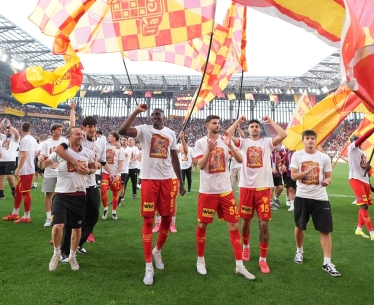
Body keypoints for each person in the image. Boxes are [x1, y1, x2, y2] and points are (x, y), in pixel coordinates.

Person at [118, 104, 184, 286]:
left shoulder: (170, 133)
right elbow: (122, 131)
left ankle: (157, 251)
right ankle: (148, 267)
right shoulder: (143, 130)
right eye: (152, 115)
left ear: (164, 118)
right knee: (148, 221)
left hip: (167, 180)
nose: (154, 117)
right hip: (149, 180)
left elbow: (175, 158)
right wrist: (136, 111)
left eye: (158, 115)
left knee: (167, 219)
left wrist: (180, 181)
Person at [193, 115, 255, 280]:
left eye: (219, 123)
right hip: (208, 191)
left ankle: (240, 266)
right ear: (207, 125)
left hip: (226, 191)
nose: (217, 125)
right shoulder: (200, 143)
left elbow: (241, 159)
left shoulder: (225, 140)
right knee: (203, 224)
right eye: (214, 123)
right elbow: (201, 166)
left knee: (234, 225)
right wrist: (209, 150)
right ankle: (200, 261)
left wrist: (231, 146)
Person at [227, 116, 287, 274]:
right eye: (251, 126)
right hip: (246, 187)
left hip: (263, 188)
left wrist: (270, 121)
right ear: (248, 129)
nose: (254, 128)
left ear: (260, 129)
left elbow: (283, 135)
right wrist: (238, 121)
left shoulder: (267, 142)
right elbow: (228, 134)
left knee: (264, 224)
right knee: (246, 221)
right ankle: (246, 247)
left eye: (256, 126)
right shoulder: (243, 143)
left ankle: (263, 259)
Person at [290, 129, 340, 277]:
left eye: (312, 138)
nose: (310, 140)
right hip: (302, 196)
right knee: (300, 226)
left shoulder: (323, 157)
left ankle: (327, 262)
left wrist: (327, 181)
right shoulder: (297, 155)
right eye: (307, 138)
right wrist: (306, 172)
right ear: (303, 140)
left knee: (325, 230)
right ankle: (299, 251)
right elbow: (293, 176)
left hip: (320, 197)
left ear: (316, 140)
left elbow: (329, 176)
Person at [47, 127, 96, 272]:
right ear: (69, 137)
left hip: (79, 194)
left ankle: (72, 256)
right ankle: (57, 253)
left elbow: (94, 167)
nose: (81, 136)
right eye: (77, 134)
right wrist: (40, 162)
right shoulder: (62, 150)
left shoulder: (88, 152)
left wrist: (89, 171)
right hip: (61, 194)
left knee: (77, 228)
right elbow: (44, 163)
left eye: (81, 134)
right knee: (57, 225)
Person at [58, 103, 103, 262]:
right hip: (77, 186)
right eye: (89, 126)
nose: (92, 129)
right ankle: (64, 251)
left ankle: (77, 243)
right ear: (83, 128)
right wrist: (72, 110)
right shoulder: (79, 138)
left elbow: (101, 163)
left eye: (94, 126)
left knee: (94, 216)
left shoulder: (101, 142)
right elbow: (70, 131)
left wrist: (94, 167)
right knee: (73, 220)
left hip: (91, 184)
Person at [347, 119, 374, 241]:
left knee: (364, 206)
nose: (356, 140)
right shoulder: (352, 148)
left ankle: (359, 229)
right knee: (363, 205)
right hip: (355, 179)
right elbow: (364, 136)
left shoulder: (363, 153)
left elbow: (365, 166)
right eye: (354, 139)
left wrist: (368, 168)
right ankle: (372, 233)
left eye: (356, 138)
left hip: (365, 180)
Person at [4, 122, 38, 223]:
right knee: (18, 191)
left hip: (25, 170)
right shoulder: (33, 139)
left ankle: (27, 216)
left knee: (25, 192)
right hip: (28, 168)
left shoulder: (25, 140)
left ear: (21, 129)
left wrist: (18, 169)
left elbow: (24, 155)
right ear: (30, 129)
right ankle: (15, 213)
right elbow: (36, 153)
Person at [34, 123, 64, 226]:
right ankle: (48, 217)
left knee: (63, 195)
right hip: (49, 172)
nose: (60, 132)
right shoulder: (46, 143)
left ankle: (61, 217)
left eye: (61, 130)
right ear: (53, 131)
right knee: (48, 194)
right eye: (58, 130)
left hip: (62, 172)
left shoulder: (64, 141)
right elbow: (43, 157)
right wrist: (43, 159)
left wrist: (58, 163)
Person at [0, 119, 20, 200]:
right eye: (7, 131)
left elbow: (17, 133)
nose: (7, 132)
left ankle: (14, 191)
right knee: (0, 177)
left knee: (9, 176)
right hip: (0, 159)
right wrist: (1, 124)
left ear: (12, 131)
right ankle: (1, 194)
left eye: (9, 131)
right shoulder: (3, 137)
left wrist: (10, 126)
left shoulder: (15, 138)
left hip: (10, 160)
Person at [101, 131, 123, 220]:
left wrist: (118, 174)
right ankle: (105, 209)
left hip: (115, 174)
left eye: (110, 136)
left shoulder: (120, 149)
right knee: (103, 191)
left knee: (115, 193)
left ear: (114, 138)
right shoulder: (104, 145)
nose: (108, 137)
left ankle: (114, 211)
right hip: (105, 173)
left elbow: (121, 162)